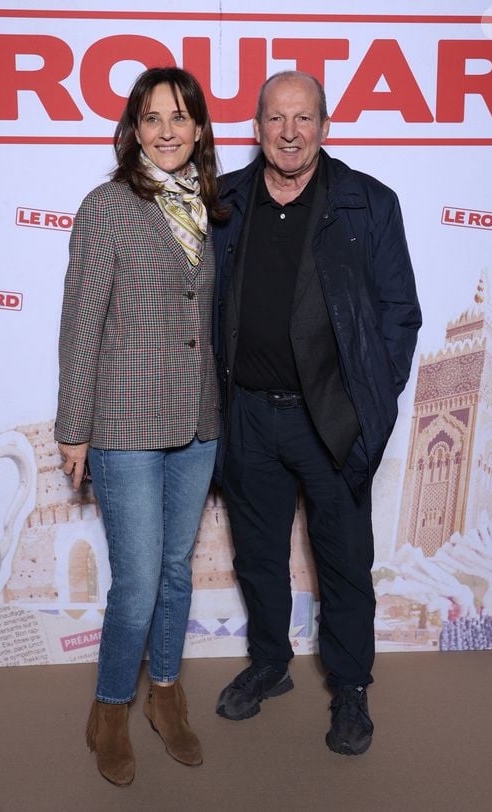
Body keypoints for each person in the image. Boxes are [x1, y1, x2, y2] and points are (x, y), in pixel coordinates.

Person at [212, 71, 421, 756]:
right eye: (276, 119)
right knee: (260, 556)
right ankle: (270, 664)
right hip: (246, 413)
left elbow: (400, 315)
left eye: (304, 119)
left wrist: (370, 403)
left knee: (343, 558)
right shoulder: (226, 201)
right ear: (257, 128)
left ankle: (352, 688)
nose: (290, 132)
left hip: (330, 418)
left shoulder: (367, 204)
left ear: (325, 128)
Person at [55, 67, 226, 785]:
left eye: (181, 118)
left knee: (177, 574)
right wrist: (74, 426)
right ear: (134, 129)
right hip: (124, 419)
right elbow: (81, 321)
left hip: (197, 420)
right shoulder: (107, 206)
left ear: (197, 130)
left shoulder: (207, 208)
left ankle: (166, 694)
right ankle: (110, 708)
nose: (167, 131)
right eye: (153, 118)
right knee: (137, 583)